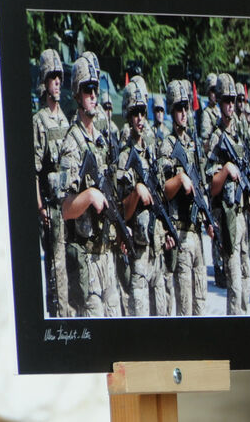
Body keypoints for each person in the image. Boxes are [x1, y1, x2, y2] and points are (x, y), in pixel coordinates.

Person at [57, 55, 121, 317]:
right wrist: (90, 195)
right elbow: (65, 208)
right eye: (87, 90)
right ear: (77, 94)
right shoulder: (71, 144)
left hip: (107, 256)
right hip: (87, 259)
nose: (93, 95)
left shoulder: (102, 140)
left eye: (95, 89)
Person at [205, 72, 250, 314]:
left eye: (233, 100)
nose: (231, 105)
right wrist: (226, 169)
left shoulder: (239, 134)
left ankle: (247, 320)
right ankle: (236, 324)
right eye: (226, 100)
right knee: (235, 283)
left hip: (242, 215)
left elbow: (247, 175)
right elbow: (212, 186)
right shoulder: (216, 138)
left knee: (246, 276)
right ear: (218, 102)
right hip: (227, 216)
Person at [116, 79, 174, 316]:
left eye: (143, 111)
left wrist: (168, 233)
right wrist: (136, 192)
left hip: (157, 254)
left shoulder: (154, 151)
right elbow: (122, 213)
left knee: (162, 318)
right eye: (135, 113)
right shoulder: (124, 158)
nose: (140, 117)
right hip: (138, 255)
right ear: (128, 116)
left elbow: (163, 197)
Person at [158, 79, 213, 316]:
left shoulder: (194, 145)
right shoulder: (167, 146)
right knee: (184, 305)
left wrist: (208, 217)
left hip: (196, 233)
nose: (183, 113)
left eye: (186, 108)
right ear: (171, 111)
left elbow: (201, 183)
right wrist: (180, 180)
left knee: (200, 304)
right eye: (179, 108)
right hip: (179, 232)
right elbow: (164, 190)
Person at [32, 48, 71, 318]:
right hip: (51, 209)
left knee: (68, 270)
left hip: (68, 208)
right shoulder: (39, 120)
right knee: (56, 275)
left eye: (59, 76)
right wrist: (39, 207)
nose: (57, 81)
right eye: (52, 77)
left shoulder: (65, 118)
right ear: (44, 82)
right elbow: (33, 170)